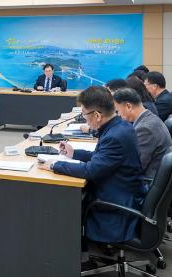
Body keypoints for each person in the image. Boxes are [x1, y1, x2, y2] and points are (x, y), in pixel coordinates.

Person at [38, 86, 145, 244]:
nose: (84, 118)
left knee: (62, 205)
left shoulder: (115, 136)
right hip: (123, 190)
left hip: (116, 204)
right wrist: (73, 153)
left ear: (97, 115)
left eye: (84, 114)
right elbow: (101, 157)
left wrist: (55, 165)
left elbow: (90, 170)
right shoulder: (119, 126)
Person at [113, 88, 172, 179]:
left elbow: (134, 167)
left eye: (118, 111)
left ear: (128, 106)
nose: (119, 114)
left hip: (145, 180)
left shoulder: (145, 129)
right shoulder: (149, 118)